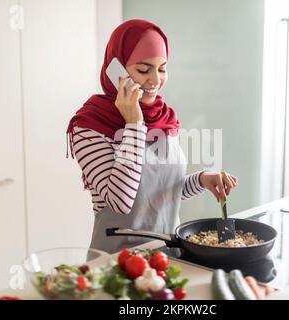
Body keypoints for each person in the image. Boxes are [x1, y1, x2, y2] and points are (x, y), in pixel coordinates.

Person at [66, 19, 238, 254]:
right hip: (116, 265)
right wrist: (134, 123)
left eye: (162, 68)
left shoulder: (163, 117)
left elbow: (161, 192)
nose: (156, 80)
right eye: (144, 69)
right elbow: (121, 201)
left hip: (170, 257)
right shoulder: (89, 126)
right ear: (116, 69)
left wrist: (201, 180)